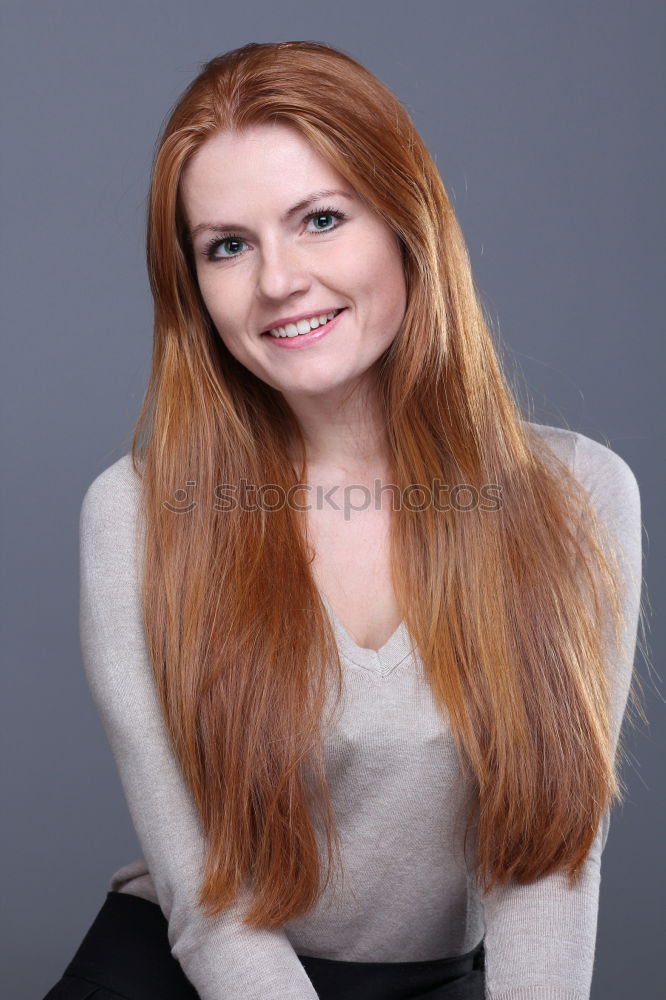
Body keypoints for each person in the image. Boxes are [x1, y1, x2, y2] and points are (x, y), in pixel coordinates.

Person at [43, 39, 644, 1000]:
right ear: (193, 287)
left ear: (406, 222)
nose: (277, 280)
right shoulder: (138, 514)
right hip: (190, 971)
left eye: (320, 219)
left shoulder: (576, 496)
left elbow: (548, 860)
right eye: (228, 246)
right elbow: (213, 905)